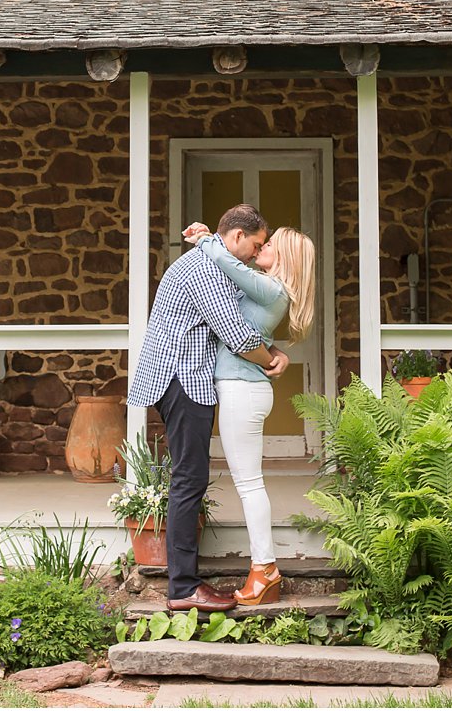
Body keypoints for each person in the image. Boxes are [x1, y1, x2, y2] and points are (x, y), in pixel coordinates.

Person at [128, 204, 290, 613]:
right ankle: (183, 587)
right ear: (236, 237)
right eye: (254, 245)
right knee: (189, 480)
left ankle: (185, 583)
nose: (256, 253)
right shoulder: (206, 271)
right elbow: (236, 333)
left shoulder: (212, 262)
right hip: (181, 379)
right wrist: (271, 360)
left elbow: (244, 323)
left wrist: (274, 351)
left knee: (190, 477)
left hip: (185, 378)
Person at [182, 220, 316, 606]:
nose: (261, 249)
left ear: (285, 256)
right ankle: (264, 570)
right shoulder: (271, 290)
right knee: (250, 483)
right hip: (244, 390)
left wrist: (207, 239)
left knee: (249, 484)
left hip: (244, 391)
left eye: (269, 244)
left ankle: (265, 571)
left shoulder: (273, 288)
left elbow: (232, 267)